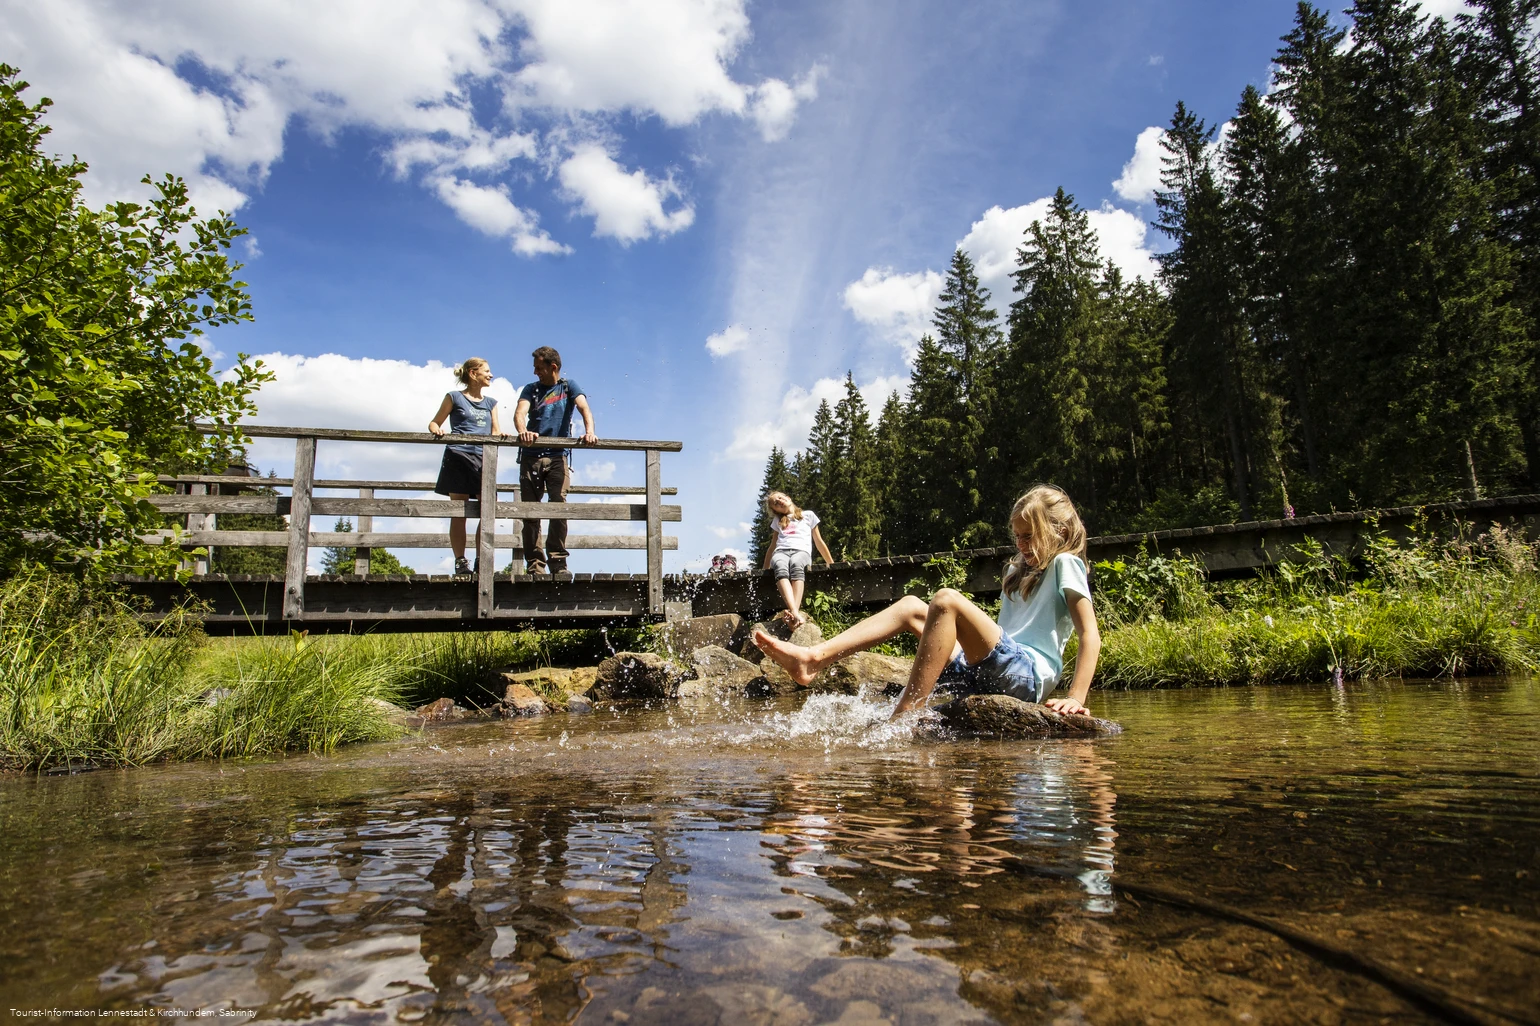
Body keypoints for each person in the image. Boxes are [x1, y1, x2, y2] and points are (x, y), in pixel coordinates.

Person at [754, 484, 1102, 719]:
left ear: (1058, 531)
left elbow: (1090, 634)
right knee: (910, 606)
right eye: (1017, 536)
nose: (1022, 544)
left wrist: (1076, 697)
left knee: (946, 600)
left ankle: (906, 713)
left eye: (1030, 536)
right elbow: (998, 637)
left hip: (1024, 676)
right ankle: (813, 659)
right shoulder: (1016, 568)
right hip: (988, 669)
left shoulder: (1064, 563)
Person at [514, 346, 596, 574]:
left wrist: (589, 432)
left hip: (558, 456)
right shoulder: (531, 389)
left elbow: (584, 407)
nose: (535, 373)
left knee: (558, 507)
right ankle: (535, 565)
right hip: (531, 457)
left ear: (553, 367)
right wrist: (523, 431)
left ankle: (558, 563)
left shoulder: (569, 386)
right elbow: (520, 413)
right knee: (530, 513)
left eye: (539, 368)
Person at [428, 357, 504, 576]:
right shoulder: (454, 397)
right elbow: (434, 422)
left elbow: (495, 431)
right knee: (459, 512)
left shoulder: (492, 403)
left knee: (488, 510)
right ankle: (461, 561)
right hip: (458, 455)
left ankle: (483, 560)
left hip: (484, 459)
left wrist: (502, 435)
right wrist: (437, 430)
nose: (490, 375)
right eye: (487, 371)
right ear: (473, 373)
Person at [761, 491, 834, 627]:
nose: (779, 501)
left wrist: (831, 563)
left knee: (796, 564)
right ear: (775, 510)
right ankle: (795, 611)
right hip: (781, 551)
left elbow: (818, 541)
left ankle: (793, 613)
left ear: (788, 498)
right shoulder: (778, 521)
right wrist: (765, 569)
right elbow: (772, 547)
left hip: (801, 551)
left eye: (780, 498)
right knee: (780, 565)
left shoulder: (808, 515)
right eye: (775, 503)